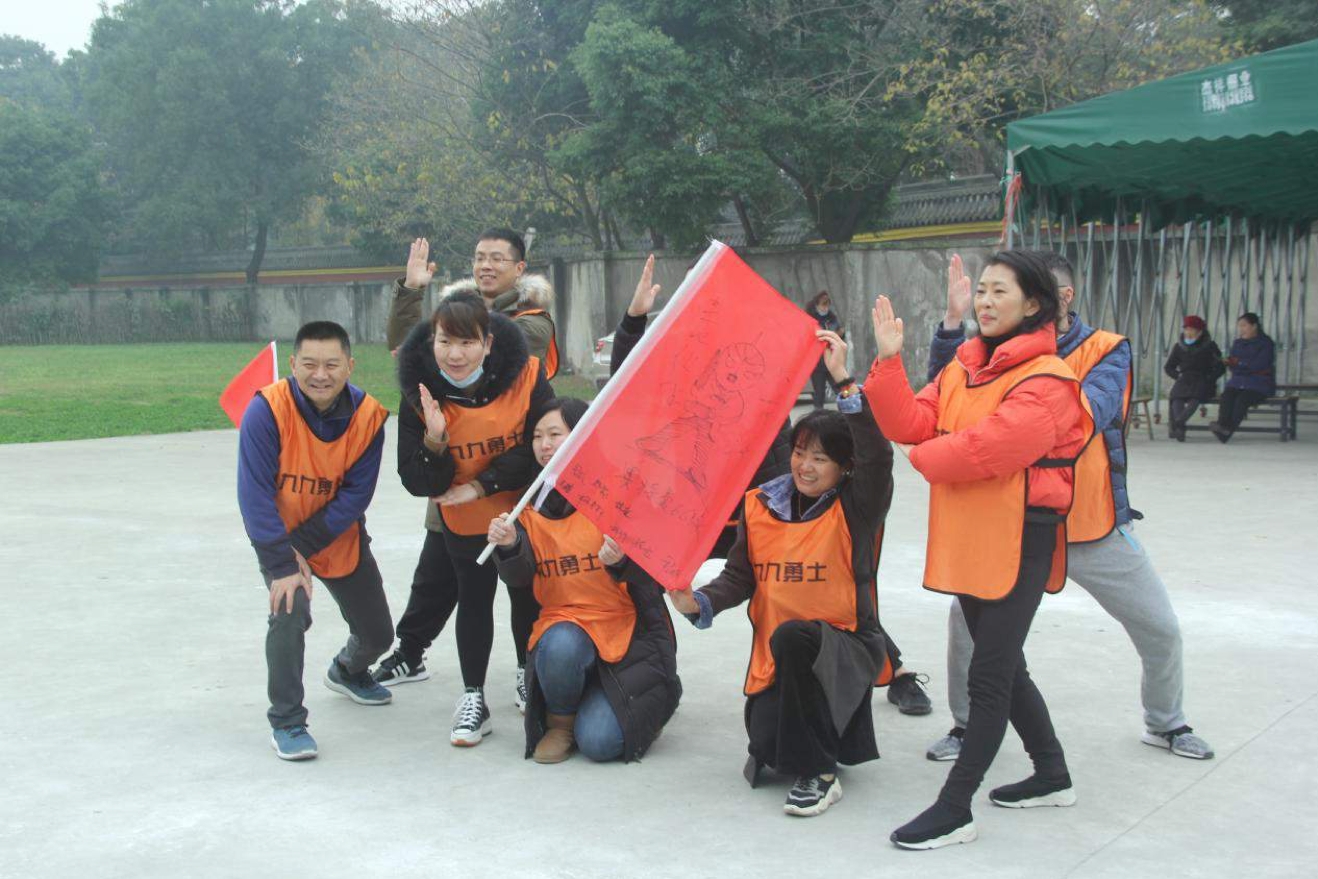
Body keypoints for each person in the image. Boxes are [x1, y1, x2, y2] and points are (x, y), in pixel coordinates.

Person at [923, 252, 1216, 766]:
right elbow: (943, 392)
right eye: (989, 292)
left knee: (1159, 627)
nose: (995, 302)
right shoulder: (987, 353)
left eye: (1012, 292)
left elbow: (1083, 416)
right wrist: (952, 324)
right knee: (966, 630)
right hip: (1012, 529)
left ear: (1058, 298)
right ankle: (966, 725)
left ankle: (1166, 722)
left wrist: (1015, 400)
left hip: (1090, 525)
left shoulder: (1105, 350)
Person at [614, 257, 932, 715]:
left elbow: (868, 456)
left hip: (760, 496)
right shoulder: (683, 362)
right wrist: (634, 320)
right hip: (696, 509)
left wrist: (842, 379)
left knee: (824, 582)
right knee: (634, 572)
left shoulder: (752, 356)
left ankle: (893, 669)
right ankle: (650, 676)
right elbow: (628, 386)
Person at [867, 250, 1090, 850]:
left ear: (1034, 304)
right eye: (983, 291)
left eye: (1000, 292)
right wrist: (888, 360)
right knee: (1006, 666)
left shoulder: (1049, 380)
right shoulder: (965, 367)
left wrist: (925, 456)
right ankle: (1052, 774)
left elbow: (987, 448)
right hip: (971, 534)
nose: (986, 302)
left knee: (988, 674)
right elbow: (910, 421)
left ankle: (955, 807)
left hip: (1021, 539)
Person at [668, 329, 899, 818]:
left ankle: (821, 775)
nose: (805, 466)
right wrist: (697, 603)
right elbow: (739, 577)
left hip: (843, 644)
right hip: (777, 653)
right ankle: (808, 745)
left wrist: (843, 381)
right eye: (799, 453)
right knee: (769, 748)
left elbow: (879, 457)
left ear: (844, 467)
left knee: (795, 638)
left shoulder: (857, 507)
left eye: (820, 458)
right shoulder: (760, 505)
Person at [378, 235, 557, 713]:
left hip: (509, 491)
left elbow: (488, 361)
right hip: (452, 493)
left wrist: (480, 484)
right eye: (479, 257)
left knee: (522, 589)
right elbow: (407, 349)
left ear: (520, 267)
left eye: (498, 258)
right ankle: (414, 654)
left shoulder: (531, 323)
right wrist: (412, 293)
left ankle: (526, 671)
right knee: (438, 583)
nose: (486, 266)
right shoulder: (453, 322)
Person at [487, 398, 682, 764]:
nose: (544, 445)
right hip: (567, 624)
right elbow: (519, 577)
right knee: (560, 643)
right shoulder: (528, 505)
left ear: (583, 436)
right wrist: (510, 545)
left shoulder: (621, 492)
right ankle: (560, 721)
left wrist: (621, 562)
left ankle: (645, 703)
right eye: (537, 436)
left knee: (599, 743)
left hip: (628, 630)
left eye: (555, 434)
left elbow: (657, 575)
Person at [237, 321, 394, 761]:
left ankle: (347, 670)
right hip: (279, 539)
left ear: (349, 366)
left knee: (379, 635)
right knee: (289, 613)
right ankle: (287, 721)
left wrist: (304, 547)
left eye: (331, 365)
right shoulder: (266, 410)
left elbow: (355, 496)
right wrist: (283, 562)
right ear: (292, 364)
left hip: (336, 537)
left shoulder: (369, 417)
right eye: (309, 364)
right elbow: (253, 495)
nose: (320, 375)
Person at [1211, 312, 1276, 443]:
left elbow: (1260, 364)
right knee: (1227, 397)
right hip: (1237, 381)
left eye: (1244, 325)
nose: (1241, 329)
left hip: (1259, 383)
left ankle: (1227, 429)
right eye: (1239, 326)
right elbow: (1233, 365)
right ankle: (1222, 425)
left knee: (1242, 400)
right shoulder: (1238, 343)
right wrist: (1236, 364)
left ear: (1254, 326)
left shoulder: (1266, 343)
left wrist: (1240, 363)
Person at [1164, 315, 1224, 441]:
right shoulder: (1179, 347)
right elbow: (1168, 367)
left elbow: (1220, 367)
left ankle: (1178, 423)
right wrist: (1178, 375)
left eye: (1192, 330)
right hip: (1184, 379)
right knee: (1176, 397)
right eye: (1186, 329)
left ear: (1200, 332)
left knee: (1195, 398)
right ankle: (1180, 428)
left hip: (1203, 379)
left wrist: (1210, 378)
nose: (1188, 333)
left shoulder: (1210, 346)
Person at [806, 291, 844, 409]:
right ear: (816, 305)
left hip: (832, 361)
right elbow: (808, 338)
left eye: (827, 305)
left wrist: (840, 334)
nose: (825, 308)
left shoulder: (831, 318)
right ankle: (818, 414)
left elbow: (839, 335)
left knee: (841, 389)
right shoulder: (810, 320)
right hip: (817, 363)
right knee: (819, 393)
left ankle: (847, 411)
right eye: (823, 305)